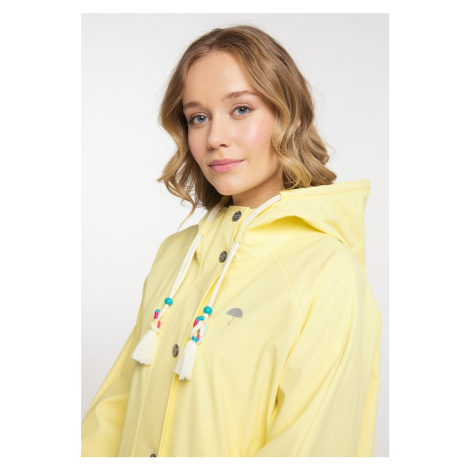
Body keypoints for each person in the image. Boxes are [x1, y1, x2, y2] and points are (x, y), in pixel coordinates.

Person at [81, 24, 382, 457]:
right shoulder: (176, 254)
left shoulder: (325, 269)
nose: (215, 138)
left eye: (241, 109)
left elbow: (310, 447)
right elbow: (116, 410)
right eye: (198, 117)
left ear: (291, 116)